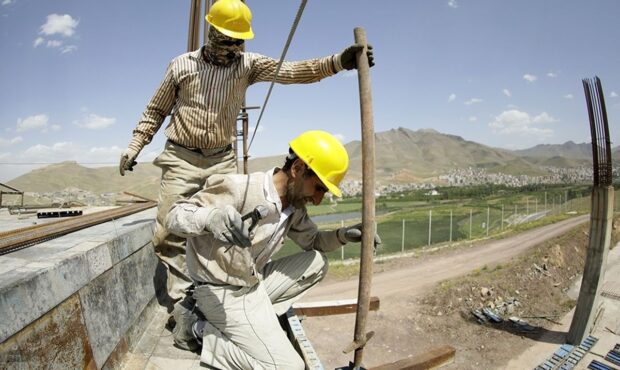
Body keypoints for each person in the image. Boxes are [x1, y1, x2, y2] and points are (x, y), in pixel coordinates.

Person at [118, 0, 375, 308]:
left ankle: (218, 292)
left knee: (230, 226)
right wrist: (135, 145)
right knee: (167, 235)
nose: (233, 47)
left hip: (221, 160)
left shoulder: (247, 65)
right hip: (182, 158)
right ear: (211, 32)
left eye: (239, 41)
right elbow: (156, 110)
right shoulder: (181, 65)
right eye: (227, 39)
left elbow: (291, 72)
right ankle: (183, 304)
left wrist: (336, 62)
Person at [165, 131, 381, 369]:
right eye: (318, 188)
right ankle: (198, 330)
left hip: (251, 283)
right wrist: (210, 218)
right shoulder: (240, 188)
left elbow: (314, 242)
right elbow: (174, 215)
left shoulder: (293, 207)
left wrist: (343, 235)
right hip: (220, 291)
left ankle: (255, 324)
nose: (318, 200)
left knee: (317, 262)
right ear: (298, 168)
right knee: (289, 367)